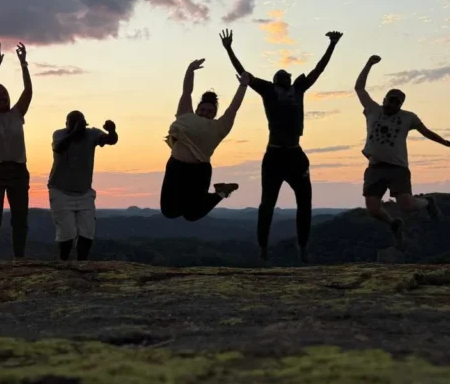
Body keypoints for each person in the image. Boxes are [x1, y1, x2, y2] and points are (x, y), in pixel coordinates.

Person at [221, 29, 343, 262]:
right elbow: (244, 74)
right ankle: (263, 248)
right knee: (267, 203)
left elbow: (319, 69)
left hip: (295, 155)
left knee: (304, 202)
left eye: (287, 73)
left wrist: (332, 45)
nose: (286, 75)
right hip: (275, 156)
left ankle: (303, 247)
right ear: (276, 79)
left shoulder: (298, 88)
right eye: (282, 74)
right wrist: (229, 49)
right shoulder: (267, 90)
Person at [355, 55, 446, 250]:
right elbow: (359, 88)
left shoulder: (408, 117)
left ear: (401, 104)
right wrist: (369, 64)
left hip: (398, 168)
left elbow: (426, 132)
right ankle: (393, 224)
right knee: (373, 209)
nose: (393, 104)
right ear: (384, 99)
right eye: (391, 100)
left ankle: (427, 202)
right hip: (374, 167)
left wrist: (446, 142)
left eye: (398, 102)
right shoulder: (372, 109)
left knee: (407, 206)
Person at [161, 60, 248, 221]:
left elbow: (233, 108)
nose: (205, 112)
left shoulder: (220, 126)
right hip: (176, 167)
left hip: (199, 171)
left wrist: (243, 86)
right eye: (202, 109)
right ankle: (221, 191)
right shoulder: (185, 115)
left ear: (215, 113)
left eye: (209, 111)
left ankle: (222, 191)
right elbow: (186, 93)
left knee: (192, 214)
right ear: (196, 109)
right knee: (169, 211)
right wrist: (190, 70)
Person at [0, 41, 32, 259]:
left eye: (4, 94)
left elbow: (28, 91)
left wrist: (23, 64)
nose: (2, 97)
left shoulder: (17, 113)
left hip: (18, 171)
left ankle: (19, 259)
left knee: (20, 218)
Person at [48, 112, 118, 261]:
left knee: (87, 232)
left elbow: (111, 140)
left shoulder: (91, 134)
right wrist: (73, 133)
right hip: (60, 191)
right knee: (66, 233)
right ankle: (64, 263)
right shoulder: (59, 135)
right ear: (66, 124)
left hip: (84, 192)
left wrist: (111, 131)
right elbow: (59, 148)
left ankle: (82, 264)